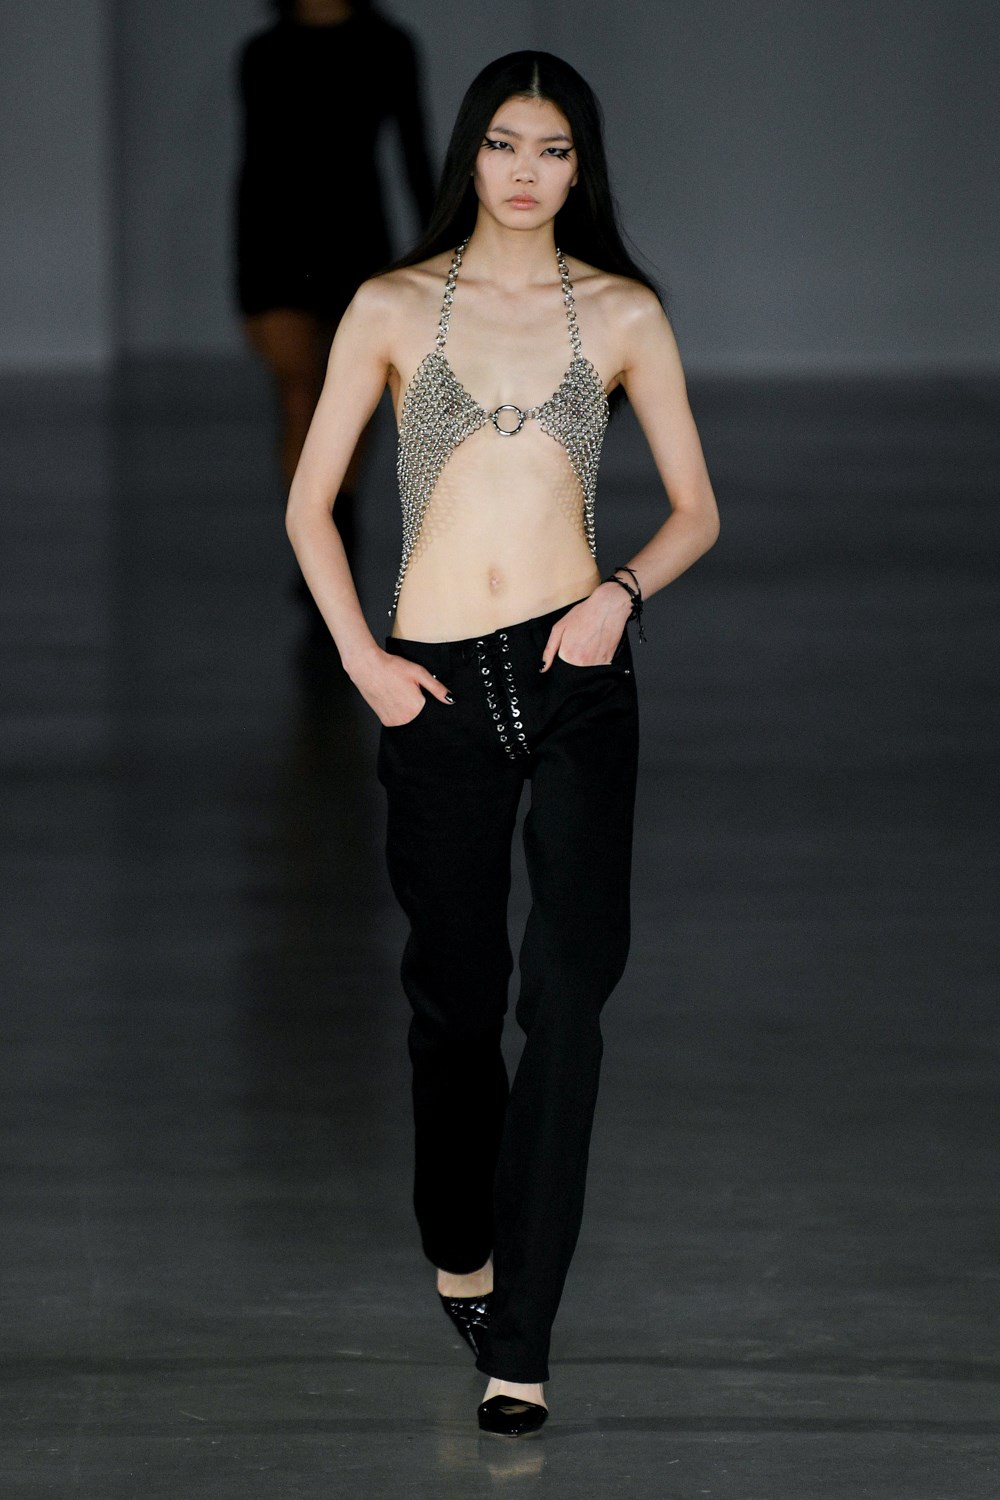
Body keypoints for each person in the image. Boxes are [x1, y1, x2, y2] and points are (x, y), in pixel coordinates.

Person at [285, 50, 720, 1436]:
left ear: (582, 168)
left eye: (553, 149)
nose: (526, 171)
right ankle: (459, 1244)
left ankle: (519, 1341)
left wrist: (619, 595)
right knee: (456, 1008)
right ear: (468, 154)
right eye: (504, 144)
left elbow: (698, 509)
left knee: (570, 998)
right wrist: (364, 662)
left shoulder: (625, 312)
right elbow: (309, 506)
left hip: (579, 673)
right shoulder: (391, 305)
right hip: (436, 689)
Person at [235, 0, 434, 609]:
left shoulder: (389, 46)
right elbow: (254, 164)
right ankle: (316, 547)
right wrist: (243, 280)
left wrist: (440, 257)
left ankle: (336, 536)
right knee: (299, 395)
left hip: (356, 242)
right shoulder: (263, 53)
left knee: (353, 396)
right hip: (277, 246)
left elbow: (414, 153)